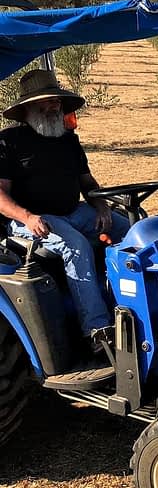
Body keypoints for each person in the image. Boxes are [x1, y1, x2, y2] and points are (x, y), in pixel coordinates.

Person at [0, 69, 130, 353]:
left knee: (131, 231)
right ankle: (97, 329)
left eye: (56, 101)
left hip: (75, 211)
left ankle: (155, 304)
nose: (53, 106)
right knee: (76, 245)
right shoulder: (9, 141)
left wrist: (101, 205)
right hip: (32, 219)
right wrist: (26, 217)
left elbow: (87, 181)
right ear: (28, 109)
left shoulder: (67, 139)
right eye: (45, 103)